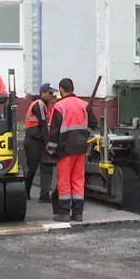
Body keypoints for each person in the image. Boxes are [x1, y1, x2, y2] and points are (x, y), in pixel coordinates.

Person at [47, 78, 98, 222]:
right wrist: (84, 135)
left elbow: (54, 131)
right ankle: (77, 213)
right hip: (81, 149)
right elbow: (94, 123)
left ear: (61, 90)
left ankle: (63, 213)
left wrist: (51, 151)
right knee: (78, 180)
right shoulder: (84, 104)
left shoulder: (59, 106)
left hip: (65, 150)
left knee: (64, 181)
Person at [23, 83, 58, 203]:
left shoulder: (44, 105)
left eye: (52, 93)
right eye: (49, 93)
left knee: (46, 166)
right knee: (32, 168)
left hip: (40, 140)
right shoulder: (39, 104)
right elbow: (43, 124)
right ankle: (26, 192)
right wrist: (47, 142)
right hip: (33, 140)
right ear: (42, 93)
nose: (51, 96)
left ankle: (44, 195)